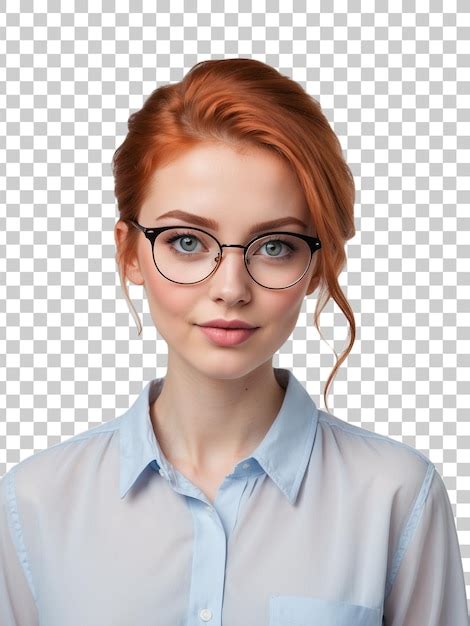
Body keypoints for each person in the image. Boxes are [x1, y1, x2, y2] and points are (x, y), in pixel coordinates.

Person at [0, 58, 468, 625]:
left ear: (318, 266)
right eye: (187, 241)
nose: (230, 289)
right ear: (130, 253)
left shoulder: (395, 496)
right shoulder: (34, 503)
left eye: (275, 246)